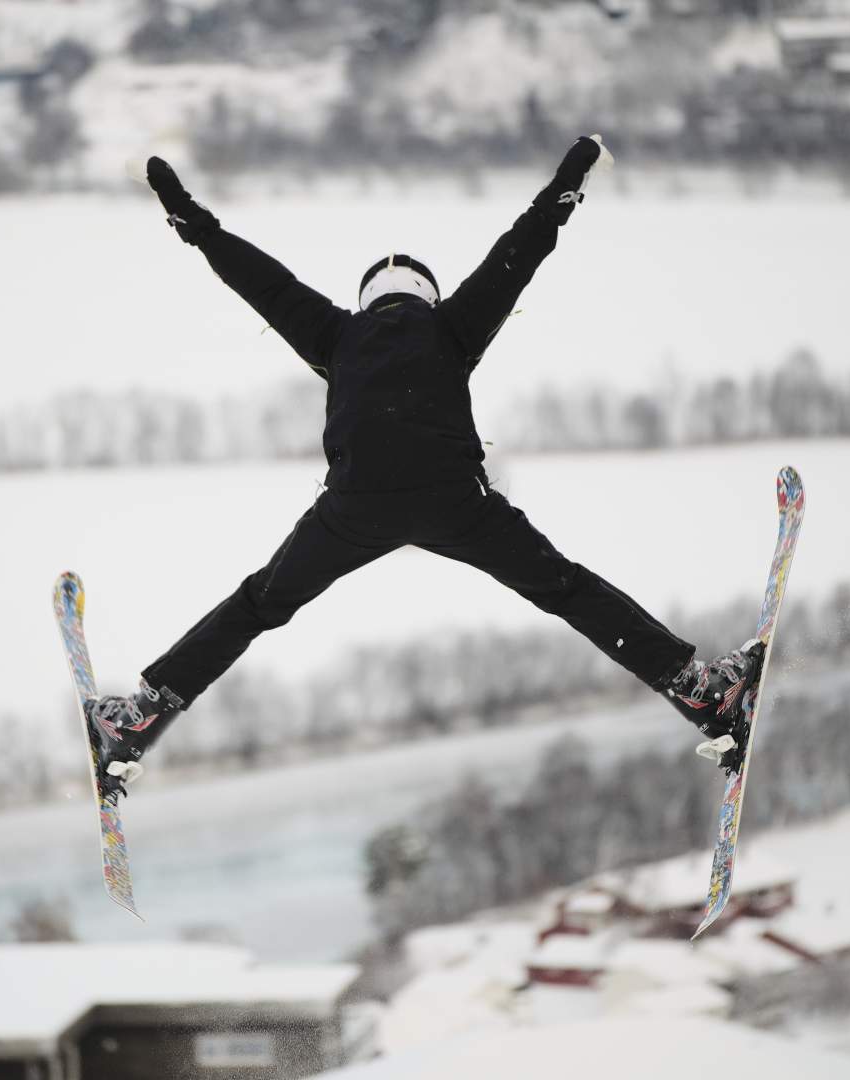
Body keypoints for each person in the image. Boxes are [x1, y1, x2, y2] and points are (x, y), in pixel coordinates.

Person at [89, 136, 762, 801]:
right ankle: (698, 691)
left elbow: (256, 278)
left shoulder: (335, 333)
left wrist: (186, 216)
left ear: (367, 300)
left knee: (260, 603)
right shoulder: (452, 327)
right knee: (565, 588)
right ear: (429, 296)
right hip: (454, 502)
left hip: (354, 506)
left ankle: (140, 716)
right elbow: (520, 250)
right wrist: (569, 180)